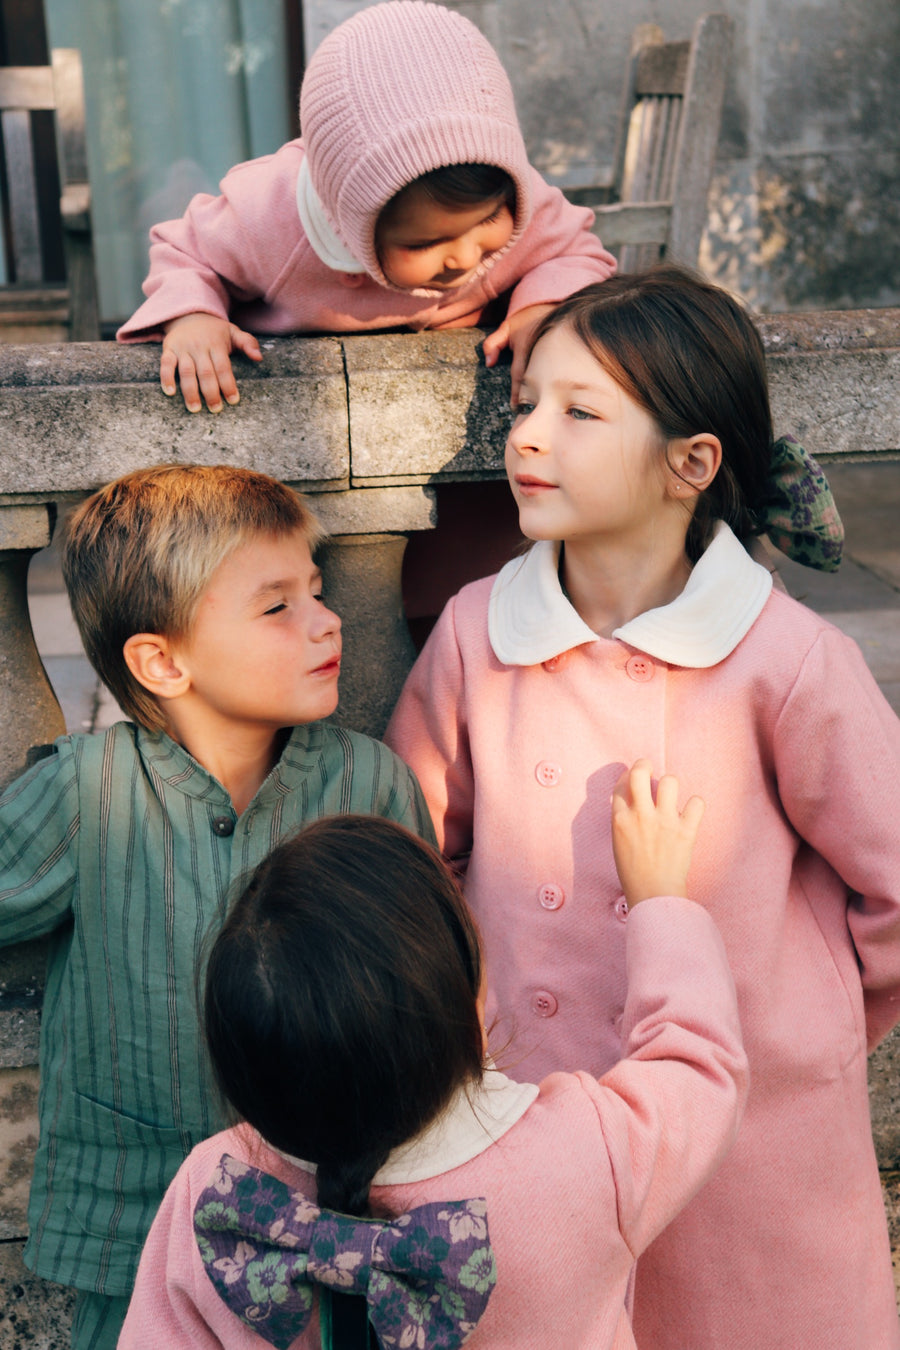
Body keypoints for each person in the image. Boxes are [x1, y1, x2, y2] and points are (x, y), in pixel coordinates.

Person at [386, 265, 900, 1350]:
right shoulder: (481, 634)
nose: (527, 437)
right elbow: (410, 854)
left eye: (579, 414)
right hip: (536, 1125)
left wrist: (808, 1015)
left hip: (752, 1141)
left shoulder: (788, 661)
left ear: (691, 464)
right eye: (528, 405)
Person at [0, 464, 433, 1350]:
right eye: (277, 606)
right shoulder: (87, 793)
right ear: (162, 660)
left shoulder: (368, 783)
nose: (327, 618)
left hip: (337, 1236)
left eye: (316, 590)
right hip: (137, 1241)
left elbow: (430, 992)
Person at [119, 766, 747, 1349]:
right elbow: (697, 1064)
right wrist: (661, 899)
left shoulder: (215, 1187)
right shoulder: (589, 1153)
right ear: (466, 993)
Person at [115, 0, 615, 414]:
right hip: (294, 418)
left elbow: (576, 250)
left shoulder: (510, 194)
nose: (464, 257)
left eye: (486, 220)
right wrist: (194, 317)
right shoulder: (270, 216)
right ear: (354, 223)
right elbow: (184, 250)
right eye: (424, 242)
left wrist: (543, 307)